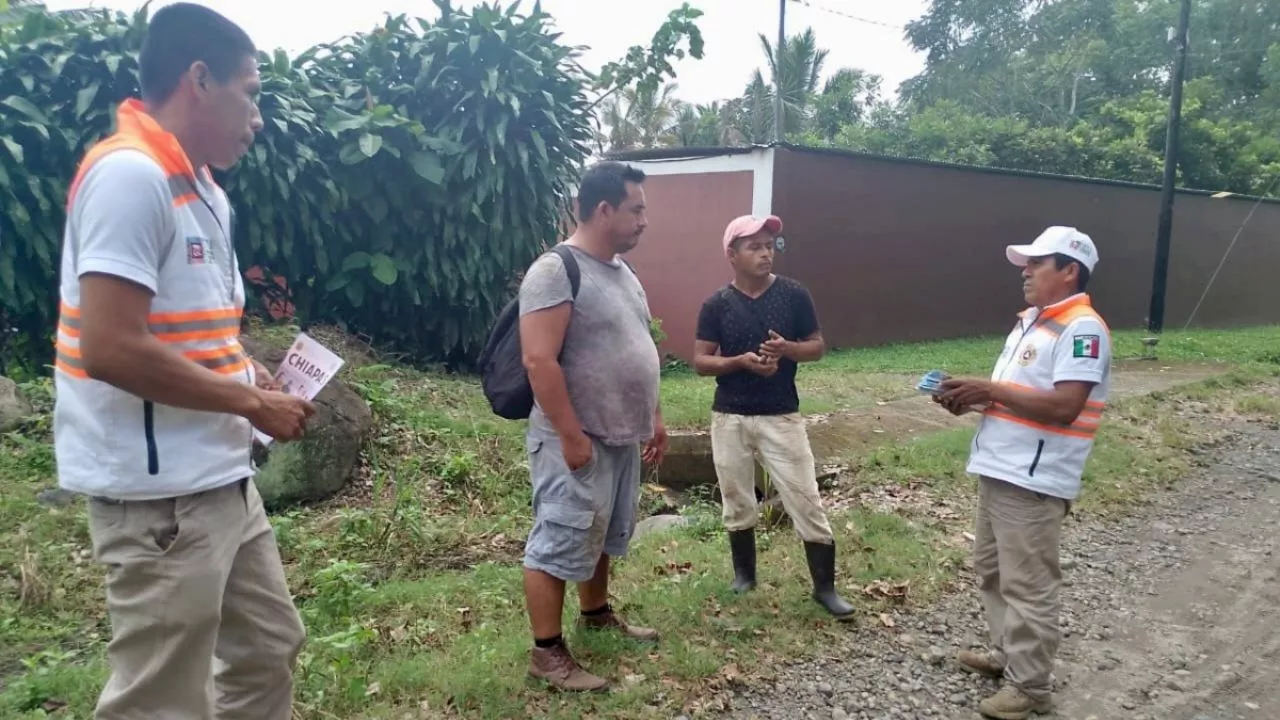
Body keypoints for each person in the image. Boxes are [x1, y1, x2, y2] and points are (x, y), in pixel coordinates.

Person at [52, 5, 315, 719]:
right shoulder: (129, 177)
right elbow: (108, 347)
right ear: (199, 78)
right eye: (251, 91)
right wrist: (253, 404)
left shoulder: (205, 192)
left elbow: (188, 329)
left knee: (267, 650)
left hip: (223, 478)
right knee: (160, 698)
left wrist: (243, 372)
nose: (256, 116)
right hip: (158, 499)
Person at [933, 226, 1110, 720]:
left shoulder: (1082, 328)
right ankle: (1005, 654)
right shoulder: (1031, 323)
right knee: (992, 572)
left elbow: (1065, 406)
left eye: (1037, 263)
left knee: (1028, 583)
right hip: (999, 468)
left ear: (1069, 270)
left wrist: (990, 388)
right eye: (1025, 263)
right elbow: (1018, 399)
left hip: (1034, 479)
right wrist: (970, 400)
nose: (1025, 271)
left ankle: (1031, 687)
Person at [517, 161, 668, 691]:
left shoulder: (623, 272)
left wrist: (654, 415)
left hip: (621, 432)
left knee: (600, 531)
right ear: (603, 209)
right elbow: (539, 360)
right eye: (637, 209)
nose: (645, 220)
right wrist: (570, 434)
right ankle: (546, 653)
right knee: (558, 538)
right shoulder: (555, 270)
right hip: (574, 436)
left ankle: (596, 611)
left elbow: (638, 345)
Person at [692, 214, 855, 620]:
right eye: (755, 246)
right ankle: (744, 576)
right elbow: (700, 361)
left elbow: (817, 347)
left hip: (781, 414)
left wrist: (787, 350)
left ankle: (825, 588)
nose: (766, 253)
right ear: (732, 255)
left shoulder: (794, 295)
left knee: (805, 496)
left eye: (770, 246)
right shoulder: (716, 304)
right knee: (735, 496)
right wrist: (739, 362)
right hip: (730, 417)